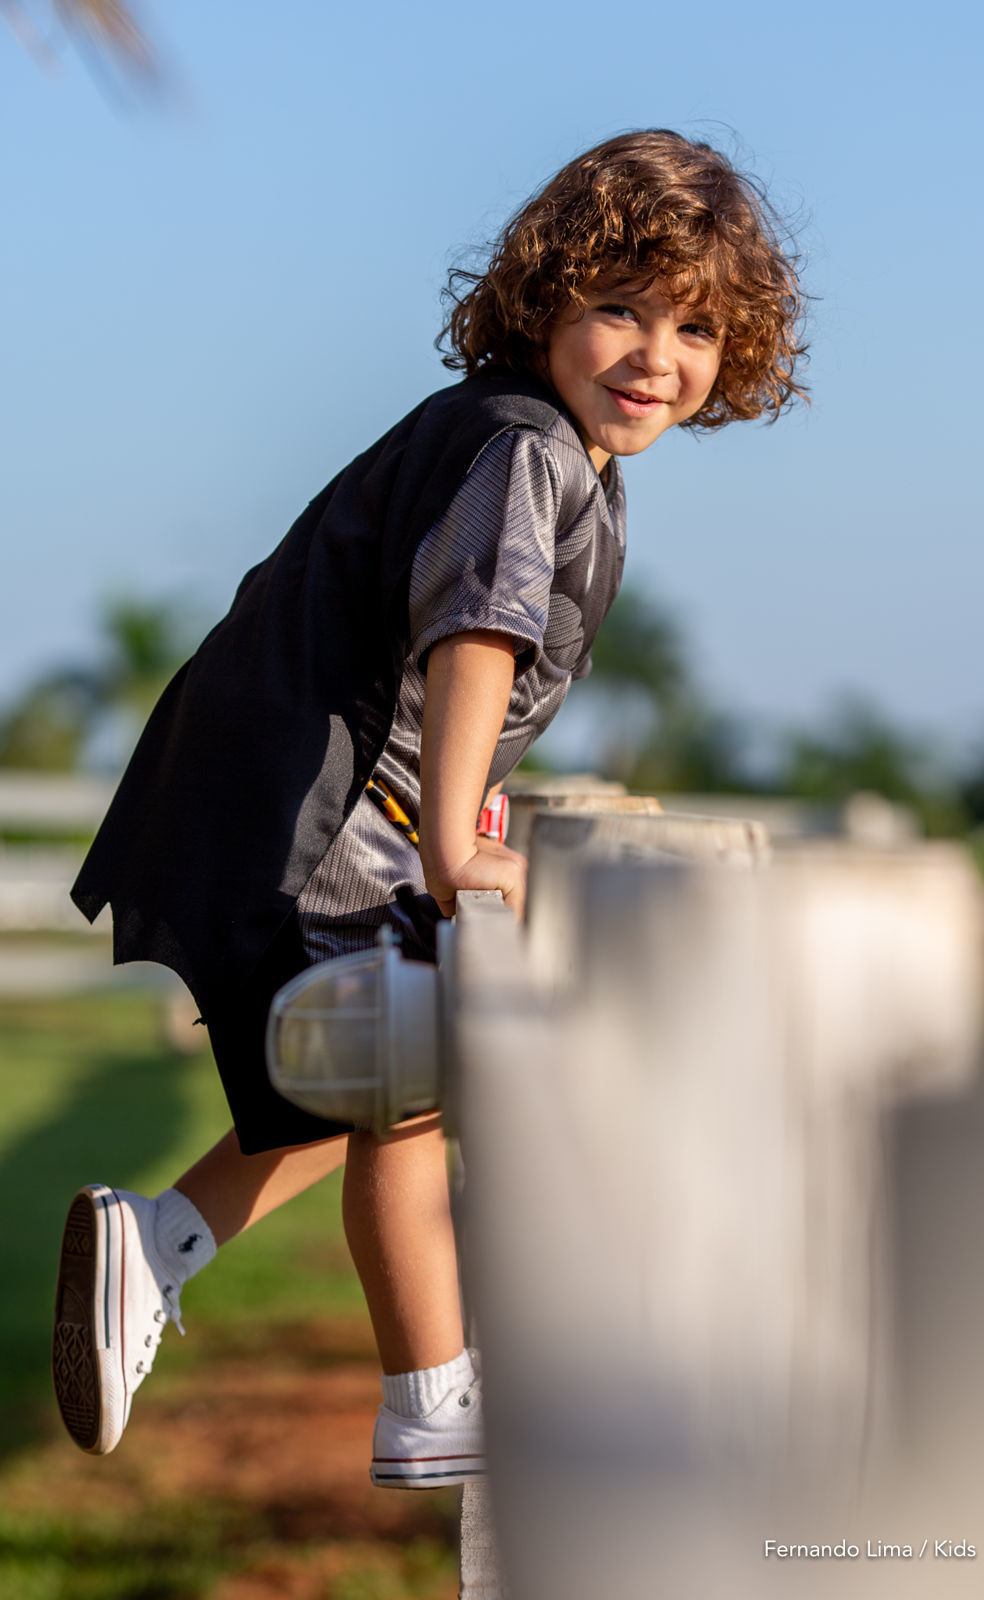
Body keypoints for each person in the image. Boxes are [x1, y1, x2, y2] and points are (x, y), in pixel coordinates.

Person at [51, 128, 807, 1485]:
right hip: (308, 807)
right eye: (618, 308)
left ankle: (153, 1250)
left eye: (694, 327)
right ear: (543, 303)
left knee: (357, 1076)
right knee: (408, 1074)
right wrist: (456, 841)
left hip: (300, 790)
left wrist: (477, 813)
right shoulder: (526, 451)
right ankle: (431, 1399)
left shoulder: (543, 451)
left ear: (734, 353)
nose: (654, 353)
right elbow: (476, 637)